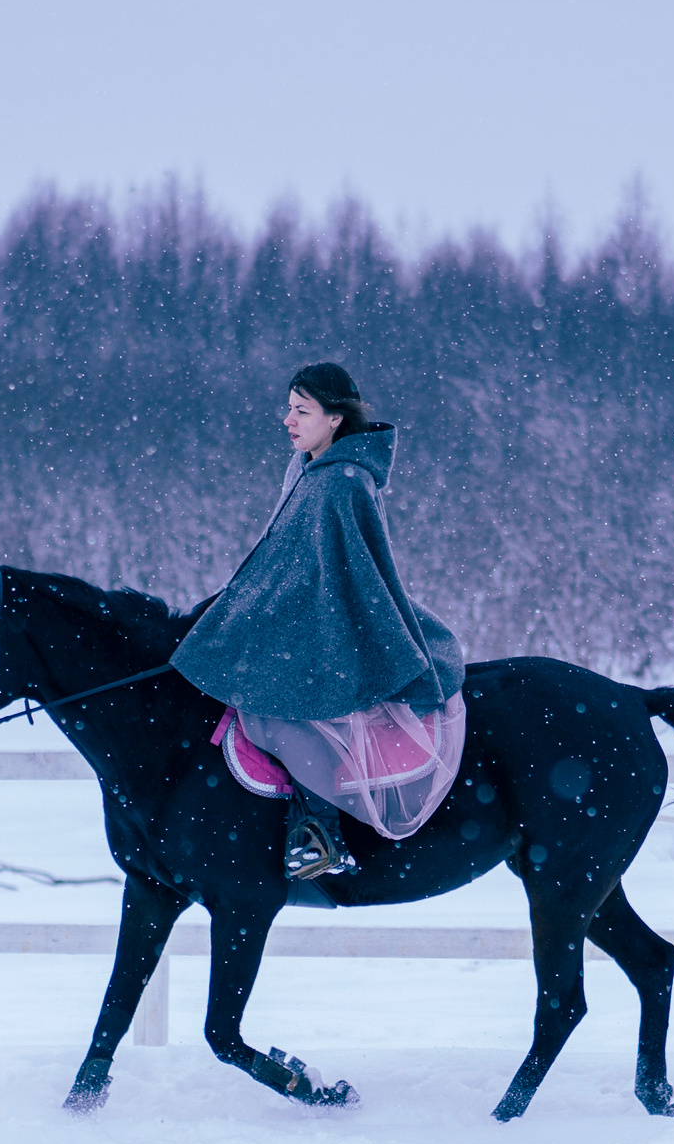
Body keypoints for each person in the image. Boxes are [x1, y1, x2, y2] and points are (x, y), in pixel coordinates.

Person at [173, 363, 467, 880]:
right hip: (305, 625)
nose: (288, 420)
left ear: (335, 418)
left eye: (302, 411)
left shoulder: (341, 483)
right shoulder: (307, 470)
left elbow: (346, 578)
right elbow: (282, 561)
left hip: (337, 631)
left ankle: (322, 834)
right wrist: (234, 608)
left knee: (274, 715)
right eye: (289, 408)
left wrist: (271, 616)